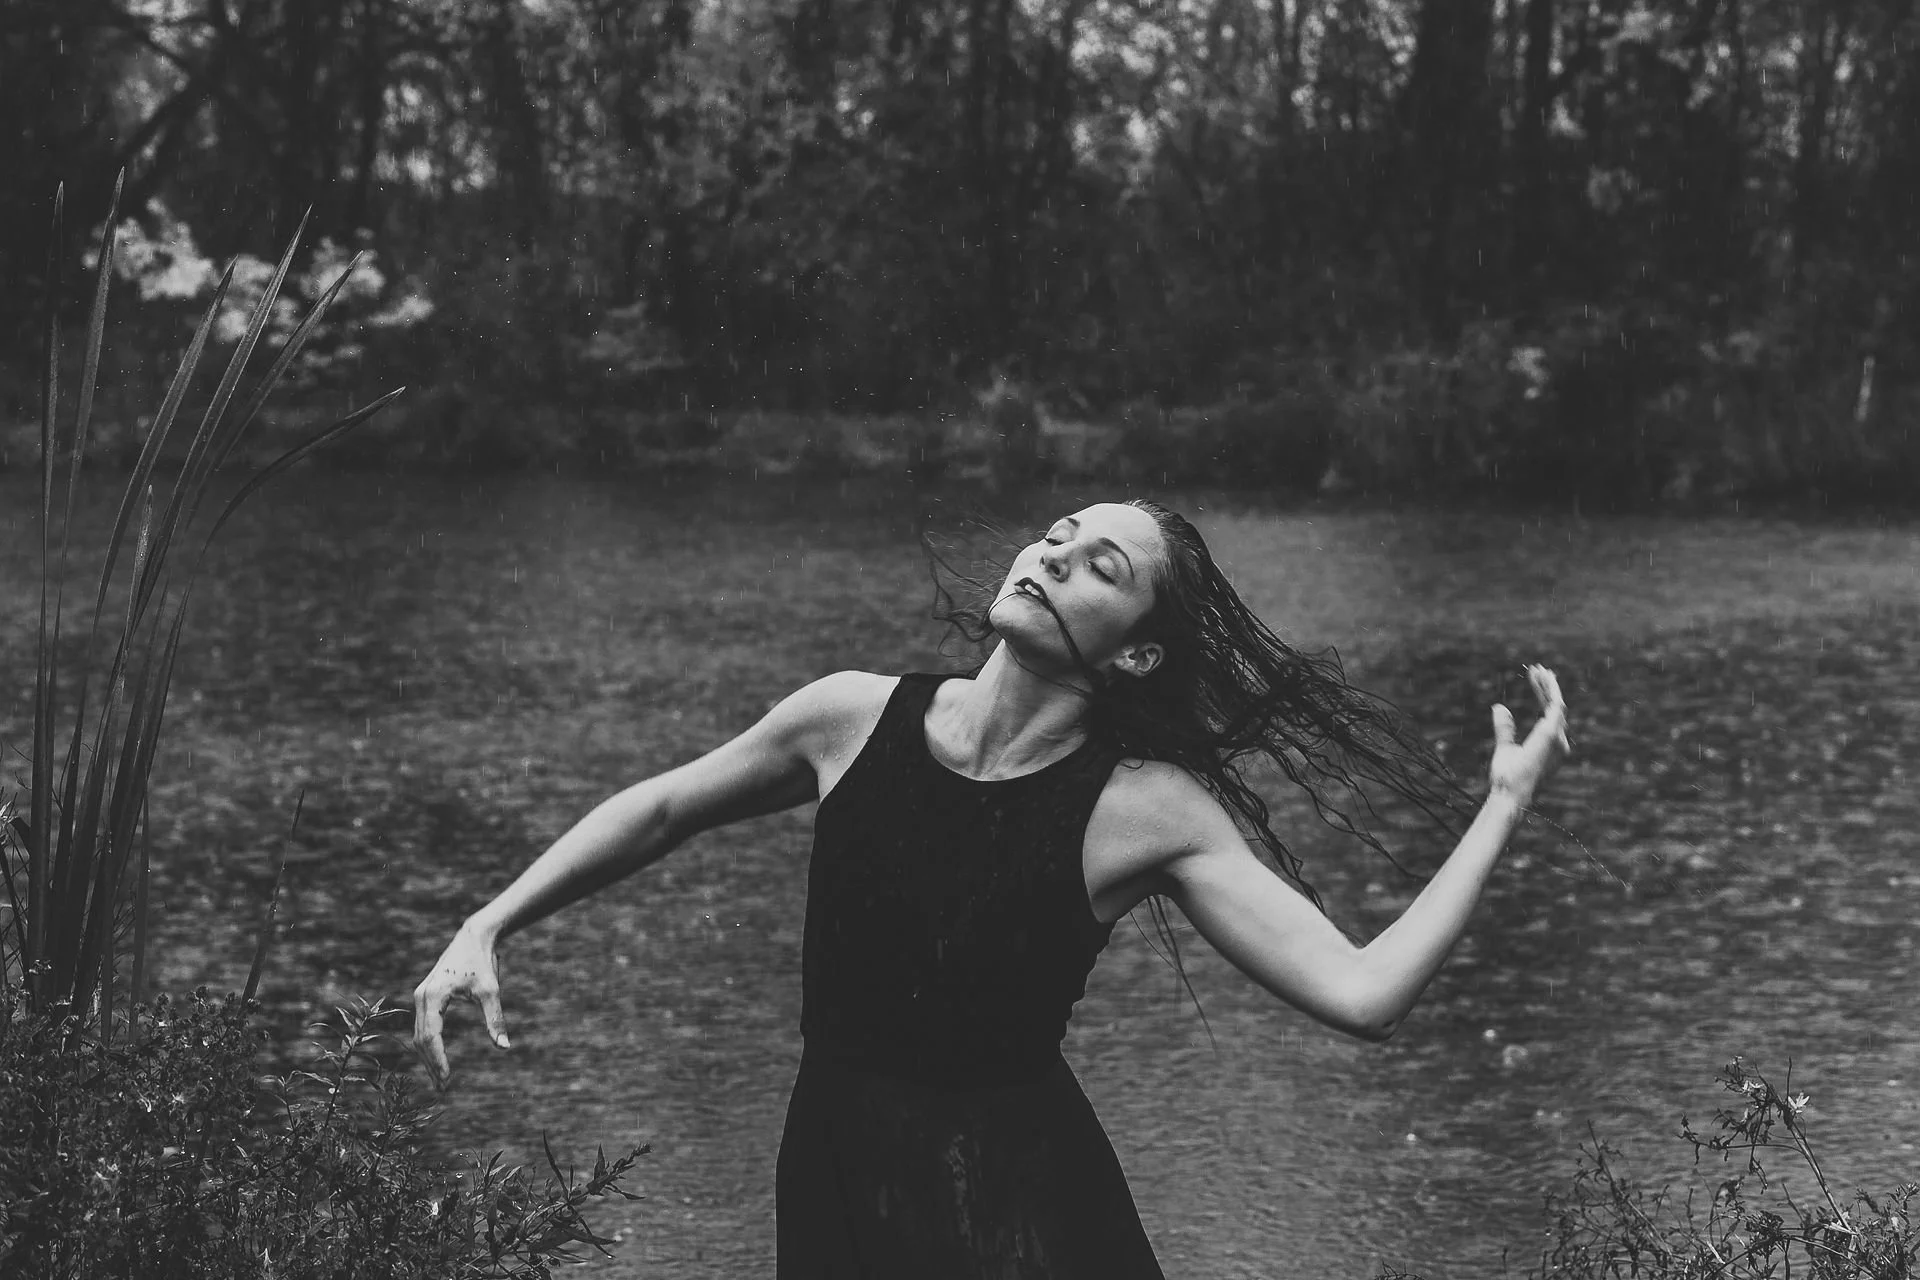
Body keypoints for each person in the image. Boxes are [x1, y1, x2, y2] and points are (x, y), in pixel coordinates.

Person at [411, 498, 1571, 1278]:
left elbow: (1366, 993)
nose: (1053, 555)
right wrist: (490, 919)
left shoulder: (1144, 808)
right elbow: (662, 807)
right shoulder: (849, 716)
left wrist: (1505, 804)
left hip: (1028, 1212)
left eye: (1101, 565)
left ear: (1138, 652)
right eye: (1057, 535)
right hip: (837, 1174)